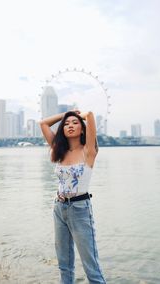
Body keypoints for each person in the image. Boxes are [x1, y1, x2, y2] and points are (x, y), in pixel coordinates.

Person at [39, 110, 107, 284]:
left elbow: (91, 115)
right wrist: (65, 115)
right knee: (64, 264)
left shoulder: (88, 151)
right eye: (67, 124)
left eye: (75, 123)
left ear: (82, 129)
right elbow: (43, 124)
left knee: (91, 267)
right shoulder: (59, 150)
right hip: (59, 208)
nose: (70, 126)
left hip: (80, 209)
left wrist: (80, 115)